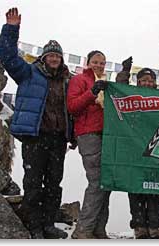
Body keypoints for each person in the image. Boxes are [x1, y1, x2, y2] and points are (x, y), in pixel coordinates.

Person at [0, 8, 75, 239]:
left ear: (61, 59)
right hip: (35, 136)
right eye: (50, 55)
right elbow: (8, 57)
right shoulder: (28, 73)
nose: (54, 59)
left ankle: (49, 224)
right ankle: (34, 226)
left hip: (58, 139)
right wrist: (11, 29)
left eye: (57, 56)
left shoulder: (68, 80)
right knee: (33, 183)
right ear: (43, 57)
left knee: (54, 184)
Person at [67, 50, 111, 239]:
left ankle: (98, 229)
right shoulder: (79, 80)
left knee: (106, 182)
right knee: (97, 182)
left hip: (106, 134)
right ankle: (83, 229)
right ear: (87, 62)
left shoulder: (105, 82)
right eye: (95, 62)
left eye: (102, 63)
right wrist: (92, 93)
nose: (99, 66)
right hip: (88, 134)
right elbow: (73, 106)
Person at [117, 59, 159, 238]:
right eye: (143, 80)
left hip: (155, 150)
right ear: (137, 82)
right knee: (135, 187)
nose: (146, 83)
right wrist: (125, 71)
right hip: (134, 149)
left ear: (154, 82)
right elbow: (118, 90)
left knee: (155, 188)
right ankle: (139, 225)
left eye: (150, 80)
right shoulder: (130, 96)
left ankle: (154, 224)